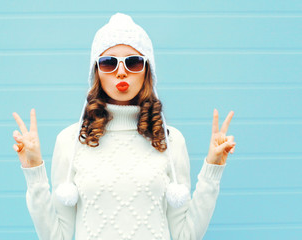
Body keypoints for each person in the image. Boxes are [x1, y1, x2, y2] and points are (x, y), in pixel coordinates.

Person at [12, 12, 236, 240]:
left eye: (134, 62)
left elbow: (184, 235)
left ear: (147, 70)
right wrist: (33, 170)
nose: (121, 71)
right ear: (96, 71)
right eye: (108, 62)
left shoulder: (170, 140)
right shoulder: (71, 140)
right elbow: (56, 237)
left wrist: (213, 169)